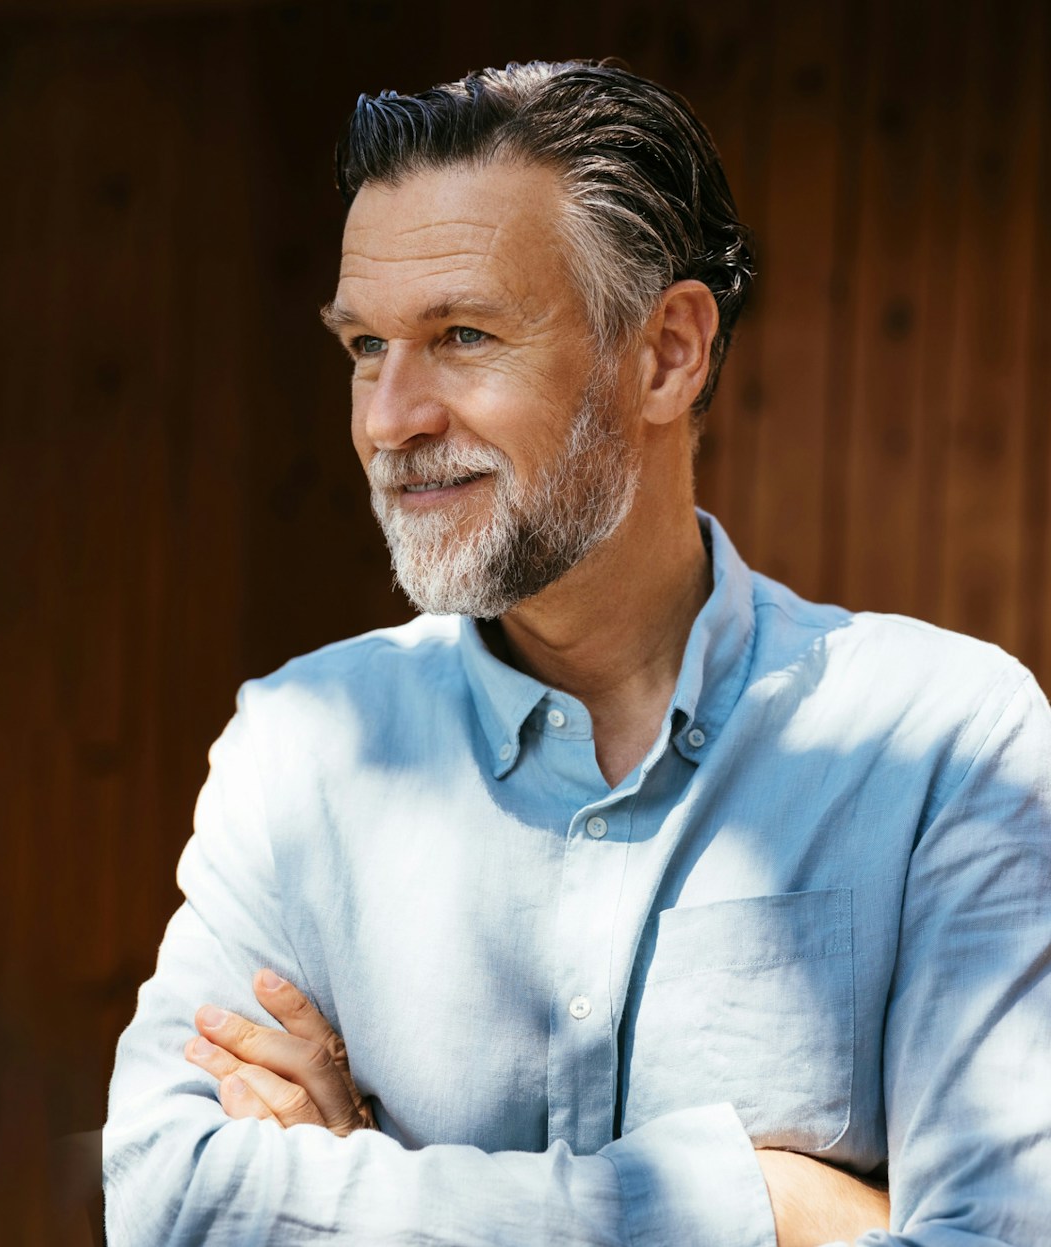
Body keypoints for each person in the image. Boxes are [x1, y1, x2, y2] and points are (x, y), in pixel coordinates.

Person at [102, 60, 1051, 1246]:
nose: (389, 418)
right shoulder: (298, 749)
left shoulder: (943, 743)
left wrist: (357, 1193)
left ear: (665, 353)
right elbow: (168, 1196)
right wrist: (760, 1205)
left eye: (460, 333)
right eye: (361, 346)